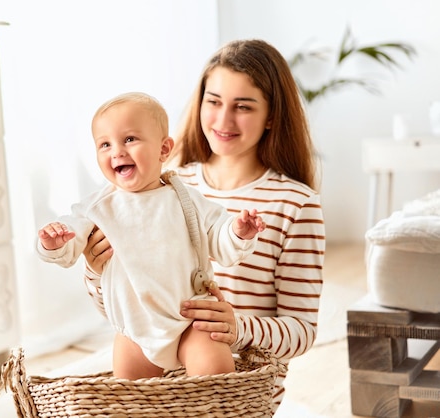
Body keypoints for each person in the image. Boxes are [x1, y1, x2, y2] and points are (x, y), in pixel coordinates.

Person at [83, 40, 325, 411]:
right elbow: (128, 310)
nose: (223, 121)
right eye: (213, 102)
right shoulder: (157, 184)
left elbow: (303, 332)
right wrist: (97, 271)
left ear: (272, 116)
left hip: (233, 397)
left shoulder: (296, 205)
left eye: (243, 107)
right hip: (156, 383)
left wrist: (238, 328)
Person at [37, 92, 265, 380]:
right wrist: (53, 242)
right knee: (131, 400)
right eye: (105, 144)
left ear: (163, 149)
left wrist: (238, 231)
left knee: (215, 375)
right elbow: (69, 245)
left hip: (191, 322)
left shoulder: (185, 200)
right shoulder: (97, 208)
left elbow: (218, 235)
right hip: (134, 331)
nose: (117, 151)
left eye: (129, 139)